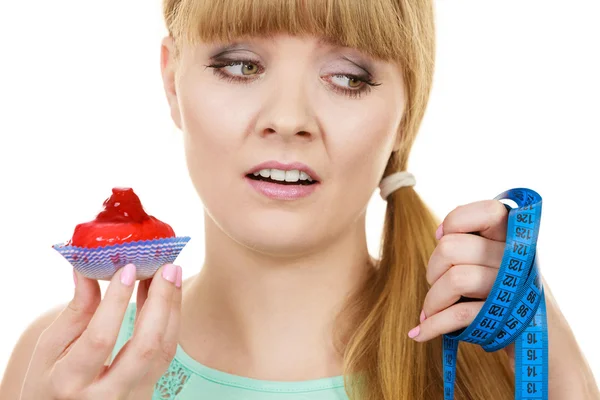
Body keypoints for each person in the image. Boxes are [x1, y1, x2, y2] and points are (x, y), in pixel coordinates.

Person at [1, 0, 598, 399]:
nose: (288, 120)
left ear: (405, 114)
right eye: (238, 65)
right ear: (171, 83)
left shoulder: (500, 358)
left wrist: (559, 363)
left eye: (348, 77)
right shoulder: (62, 368)